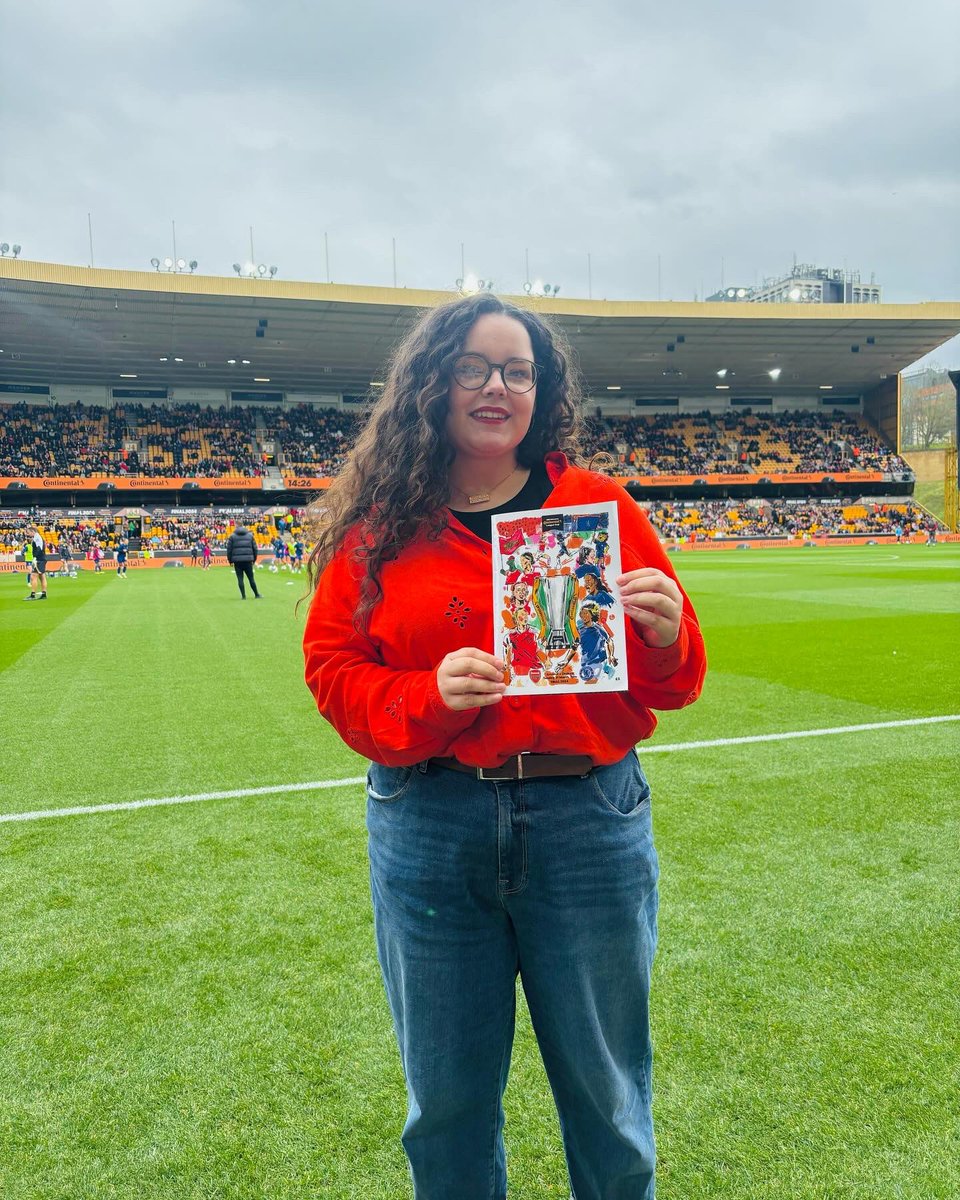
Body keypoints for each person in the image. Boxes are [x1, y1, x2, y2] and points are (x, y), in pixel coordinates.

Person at [302, 293, 706, 1200]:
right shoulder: (380, 521)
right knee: (446, 1105)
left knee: (608, 1097)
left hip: (589, 819)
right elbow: (334, 672)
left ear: (541, 388)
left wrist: (667, 634)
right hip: (430, 821)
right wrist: (426, 696)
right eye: (474, 367)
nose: (498, 386)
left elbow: (674, 685)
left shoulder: (596, 504)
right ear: (431, 383)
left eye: (518, 371)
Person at [225, 522, 261, 599]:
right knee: (251, 578)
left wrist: (230, 561)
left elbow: (229, 550)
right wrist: (254, 559)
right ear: (243, 526)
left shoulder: (232, 536)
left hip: (237, 561)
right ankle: (256, 594)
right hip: (248, 560)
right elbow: (255, 548)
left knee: (240, 578)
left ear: (236, 526)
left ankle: (243, 596)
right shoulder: (250, 535)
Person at [24, 526, 48, 600]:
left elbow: (39, 548)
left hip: (39, 559)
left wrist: (35, 558)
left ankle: (33, 595)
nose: (28, 535)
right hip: (42, 559)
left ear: (32, 531)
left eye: (28, 533)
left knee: (33, 576)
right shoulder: (38, 537)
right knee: (42, 577)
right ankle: (44, 594)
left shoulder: (37, 538)